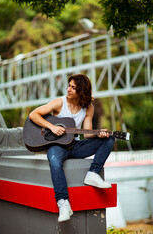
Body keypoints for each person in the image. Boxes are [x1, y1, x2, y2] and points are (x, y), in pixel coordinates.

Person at [29, 74, 115, 222]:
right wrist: (52, 127)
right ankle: (63, 203)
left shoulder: (88, 108)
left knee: (110, 139)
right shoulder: (59, 103)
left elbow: (87, 134)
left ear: (81, 90)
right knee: (55, 162)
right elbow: (33, 115)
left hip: (75, 145)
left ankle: (92, 174)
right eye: (69, 85)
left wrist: (99, 134)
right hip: (57, 146)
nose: (68, 89)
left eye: (73, 87)